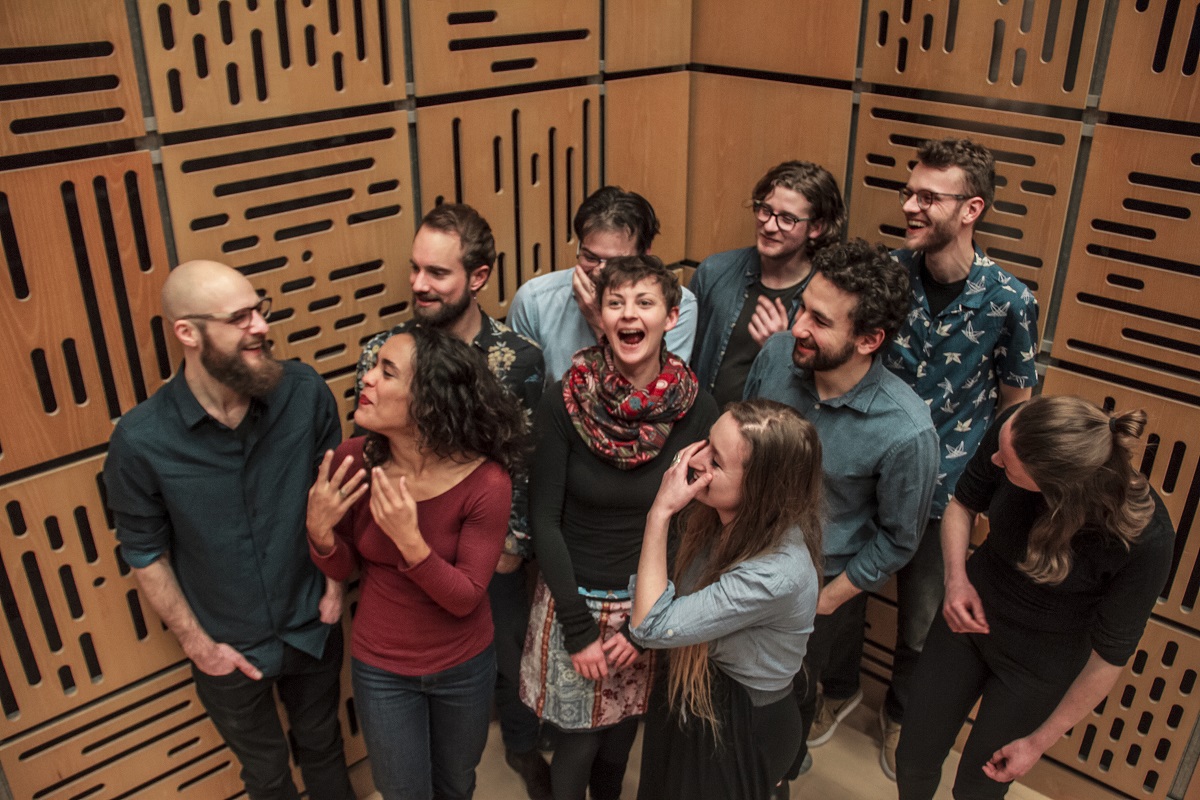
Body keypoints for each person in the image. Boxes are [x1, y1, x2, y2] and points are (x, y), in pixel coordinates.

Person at [103, 260, 354, 800]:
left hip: (312, 622)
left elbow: (337, 495)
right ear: (188, 333)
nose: (261, 326)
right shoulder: (140, 441)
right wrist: (201, 648)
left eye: (259, 310)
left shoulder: (304, 392)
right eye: (239, 318)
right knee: (265, 776)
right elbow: (144, 554)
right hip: (228, 650)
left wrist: (334, 589)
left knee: (325, 748)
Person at [354, 204, 550, 799]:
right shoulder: (383, 351)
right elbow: (370, 447)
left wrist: (512, 548)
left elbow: (524, 461)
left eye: (436, 273)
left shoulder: (519, 358)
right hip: (407, 538)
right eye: (414, 269)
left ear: (479, 277)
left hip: (495, 547)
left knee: (505, 666)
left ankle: (520, 750)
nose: (419, 284)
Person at [896, 395, 1175, 799]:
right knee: (913, 759)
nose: (994, 461)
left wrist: (1040, 741)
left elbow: (1109, 658)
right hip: (969, 616)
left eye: (1007, 465)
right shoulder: (1019, 426)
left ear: (1053, 489)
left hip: (1041, 663)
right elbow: (962, 505)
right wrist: (956, 580)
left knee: (979, 789)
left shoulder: (1147, 539)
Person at [519, 255, 718, 800]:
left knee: (619, 745)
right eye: (615, 303)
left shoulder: (697, 408)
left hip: (649, 604)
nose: (629, 315)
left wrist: (644, 625)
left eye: (645, 302)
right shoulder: (565, 397)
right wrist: (581, 629)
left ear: (671, 317)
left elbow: (695, 524)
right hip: (572, 599)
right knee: (578, 746)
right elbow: (544, 519)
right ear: (599, 317)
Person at [743, 238, 938, 794]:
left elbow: (899, 540)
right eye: (802, 306)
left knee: (788, 701)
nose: (796, 325)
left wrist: (823, 602)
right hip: (739, 554)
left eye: (819, 320)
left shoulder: (906, 430)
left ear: (868, 339)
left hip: (815, 586)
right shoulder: (777, 355)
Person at [307, 326, 529, 800]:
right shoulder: (354, 460)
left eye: (386, 372)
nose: (366, 379)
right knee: (403, 792)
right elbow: (342, 567)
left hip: (463, 666)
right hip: (381, 667)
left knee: (455, 784)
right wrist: (320, 534)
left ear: (430, 400)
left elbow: (467, 596)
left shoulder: (486, 481)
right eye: (373, 368)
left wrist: (411, 543)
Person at [878, 137, 1040, 779]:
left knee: (922, 620)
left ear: (971, 208)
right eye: (909, 192)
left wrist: (986, 504)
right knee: (840, 597)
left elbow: (1017, 405)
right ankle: (833, 695)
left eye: (927, 196)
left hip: (944, 495)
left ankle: (898, 719)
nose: (911, 205)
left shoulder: (1009, 299)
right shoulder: (886, 274)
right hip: (867, 474)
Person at [629, 399, 824, 799]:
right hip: (698, 695)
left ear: (759, 489)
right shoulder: (727, 520)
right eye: (706, 444)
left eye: (716, 461)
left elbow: (649, 624)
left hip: (744, 722)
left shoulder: (776, 574)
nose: (697, 461)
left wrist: (659, 514)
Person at [690, 161, 846, 406]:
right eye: (765, 210)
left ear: (816, 227)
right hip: (701, 430)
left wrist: (780, 349)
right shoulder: (713, 272)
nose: (770, 226)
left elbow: (824, 395)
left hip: (767, 437)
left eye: (787, 219)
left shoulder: (824, 300)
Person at [507, 185, 698, 381]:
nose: (599, 272)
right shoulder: (534, 301)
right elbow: (519, 398)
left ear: (644, 255)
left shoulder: (677, 305)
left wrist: (602, 324)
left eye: (616, 262)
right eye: (590, 258)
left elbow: (656, 398)